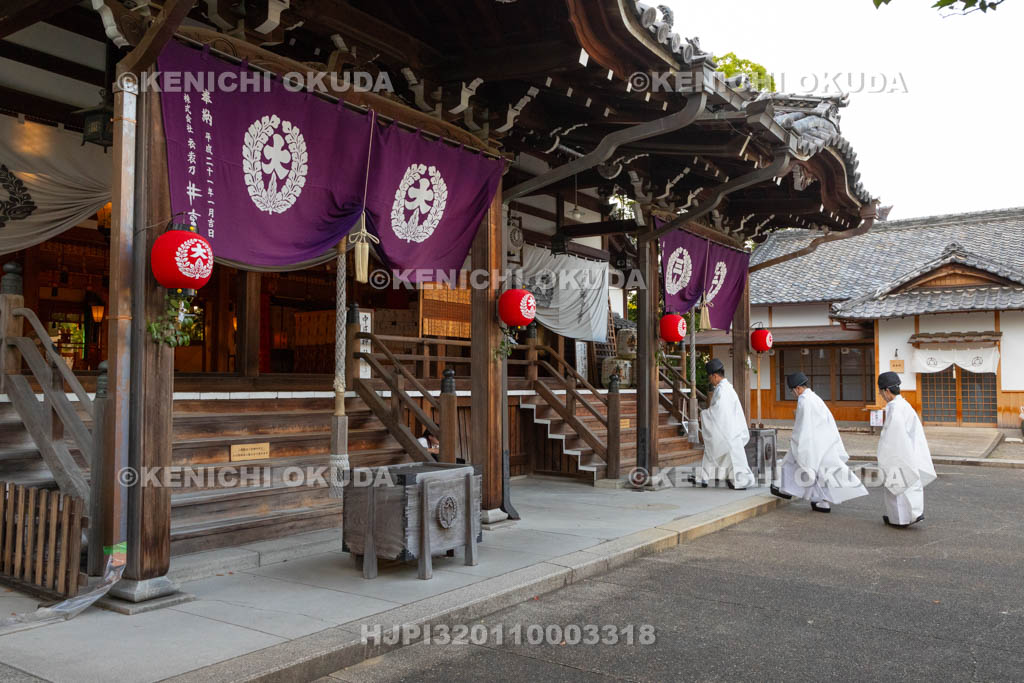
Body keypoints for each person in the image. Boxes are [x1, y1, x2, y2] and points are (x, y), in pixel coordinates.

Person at [771, 372, 868, 512]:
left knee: (794, 466)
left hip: (810, 441)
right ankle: (821, 502)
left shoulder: (804, 400)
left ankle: (786, 491)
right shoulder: (815, 398)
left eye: (792, 391)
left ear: (798, 388)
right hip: (823, 442)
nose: (793, 394)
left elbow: (802, 425)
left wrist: (797, 441)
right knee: (819, 474)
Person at [876, 371, 935, 528]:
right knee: (908, 484)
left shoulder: (895, 408)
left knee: (896, 486)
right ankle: (910, 515)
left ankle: (900, 519)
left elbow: (893, 436)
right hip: (910, 449)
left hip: (900, 451)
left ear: (886, 391)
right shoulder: (904, 405)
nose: (881, 395)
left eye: (881, 392)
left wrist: (885, 456)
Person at [692, 358, 755, 489]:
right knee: (718, 453)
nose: (710, 380)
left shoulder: (722, 390)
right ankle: (705, 478)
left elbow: (718, 411)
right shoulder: (728, 388)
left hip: (726, 430)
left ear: (715, 376)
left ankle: (738, 481)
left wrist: (704, 415)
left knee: (718, 452)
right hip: (730, 429)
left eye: (710, 377)